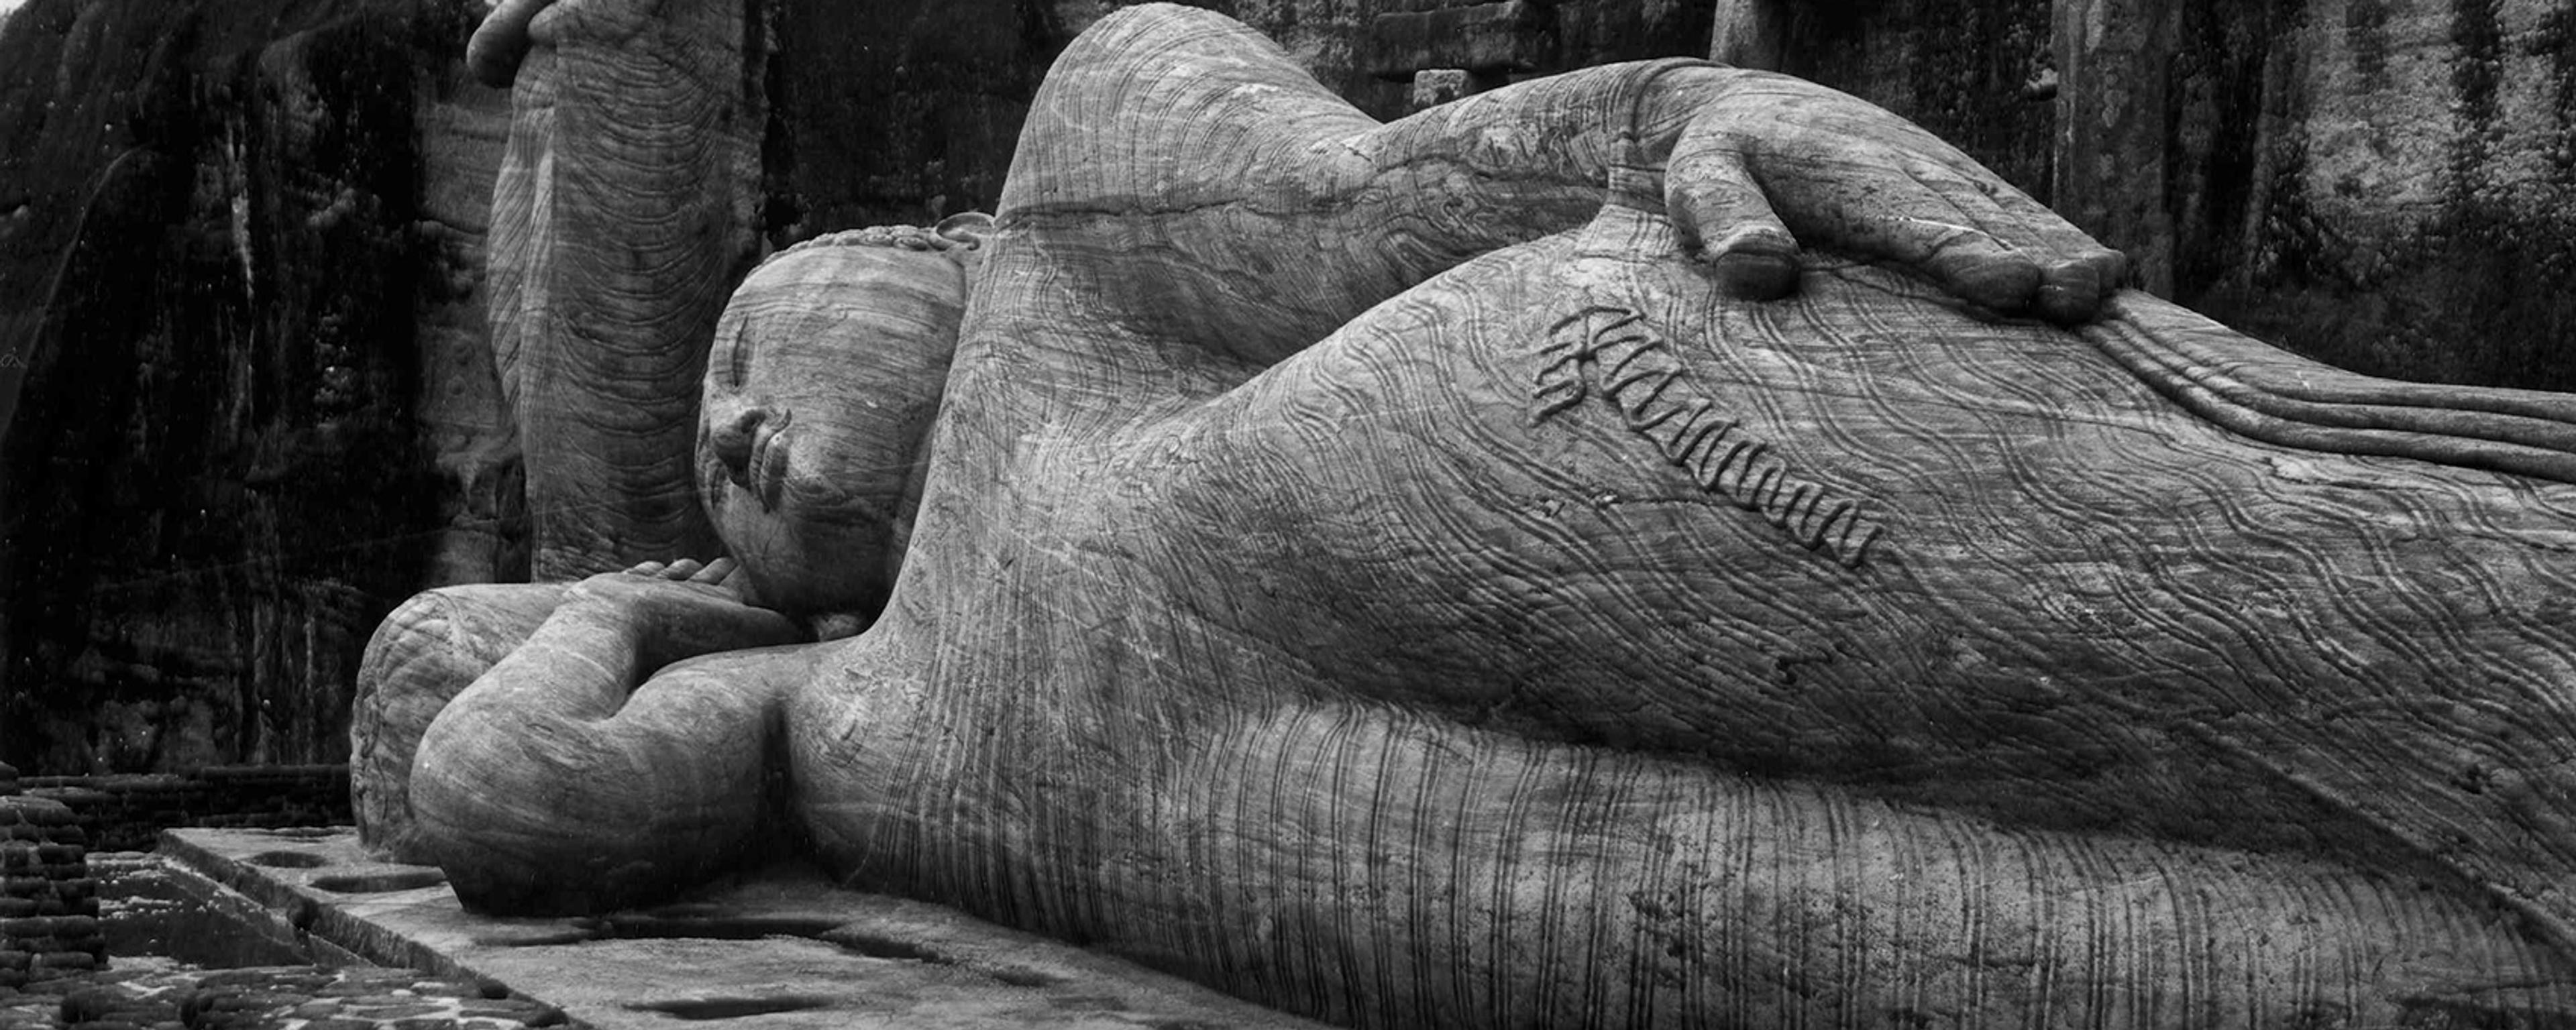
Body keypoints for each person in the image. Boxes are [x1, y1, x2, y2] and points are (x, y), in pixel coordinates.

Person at [365, 5, 2576, 1025]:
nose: (733, 433)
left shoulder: (1076, 222)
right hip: (1517, 861)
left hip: (1627, 443)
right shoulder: (832, 723)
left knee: (2431, 634)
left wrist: (1701, 103)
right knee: (2312, 964)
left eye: (756, 343)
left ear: (920, 252)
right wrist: (632, 613)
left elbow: (1382, 191)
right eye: (711, 485)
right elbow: (511, 795)